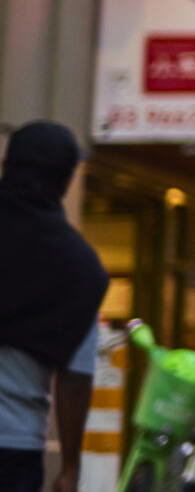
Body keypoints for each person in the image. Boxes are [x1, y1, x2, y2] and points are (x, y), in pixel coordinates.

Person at [0, 122, 109, 492]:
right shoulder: (80, 268)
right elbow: (75, 377)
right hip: (12, 446)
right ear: (65, 181)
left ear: (6, 164)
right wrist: (70, 466)